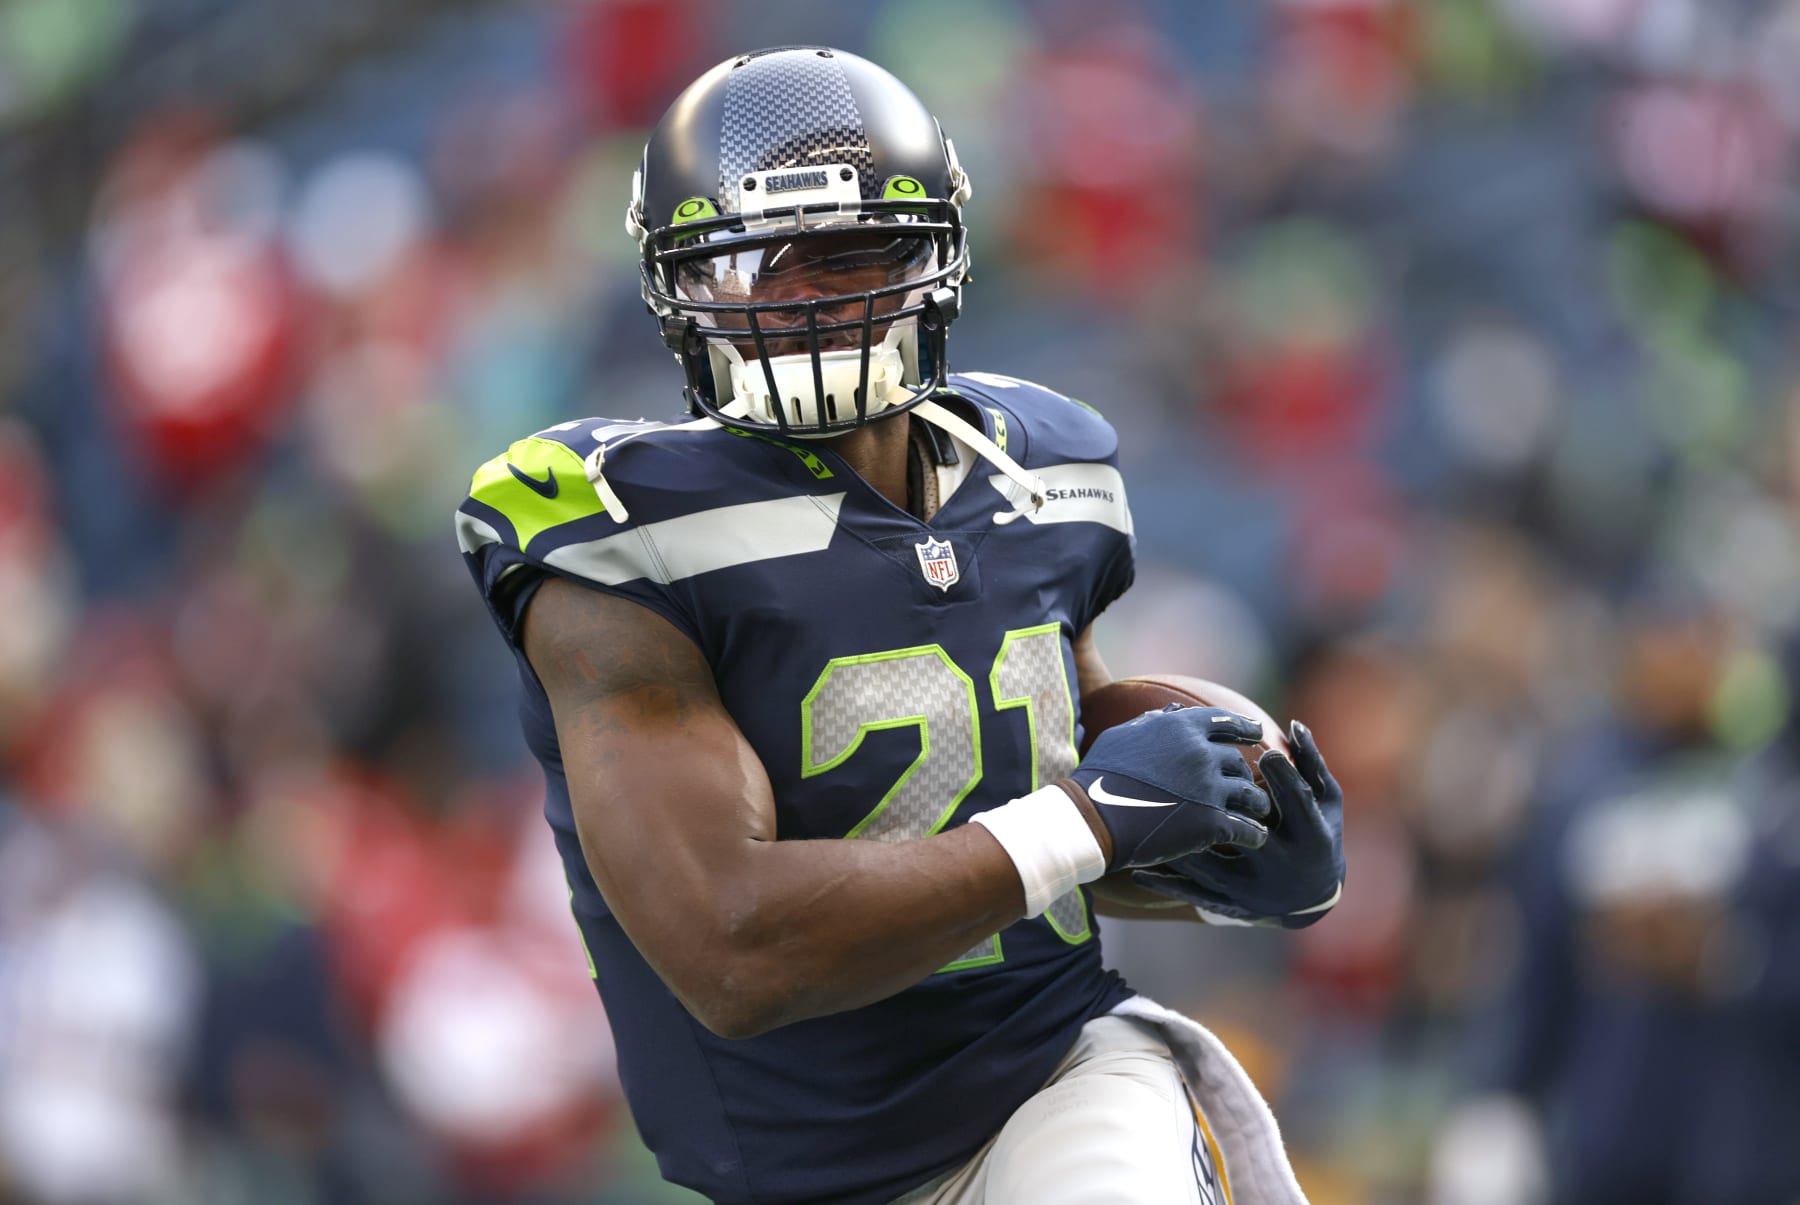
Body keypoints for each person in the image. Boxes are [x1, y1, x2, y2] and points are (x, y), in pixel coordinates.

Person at [456, 46, 1345, 1205]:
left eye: (852, 250)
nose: (810, 296)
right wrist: (1094, 819)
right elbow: (735, 947)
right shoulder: (621, 529)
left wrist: (1220, 849)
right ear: (679, 285)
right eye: (757, 266)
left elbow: (1048, 794)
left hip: (1053, 1073)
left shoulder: (1045, 471)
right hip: (803, 1170)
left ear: (937, 253)